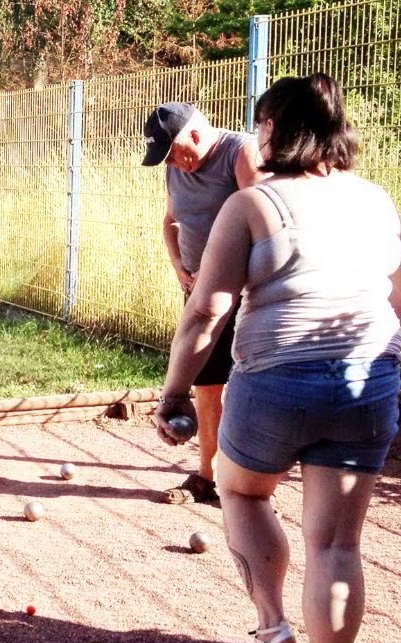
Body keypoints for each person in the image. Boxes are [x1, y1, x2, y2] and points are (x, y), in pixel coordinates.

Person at [154, 73, 401, 643]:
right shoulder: (380, 202)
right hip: (367, 381)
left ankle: (271, 624)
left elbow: (206, 312)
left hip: (274, 381)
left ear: (273, 129)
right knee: (337, 546)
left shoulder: (254, 205)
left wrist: (174, 393)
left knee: (241, 490)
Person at [142, 101, 266, 504]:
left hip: (244, 293)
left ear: (194, 136)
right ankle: (206, 477)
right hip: (197, 294)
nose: (173, 164)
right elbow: (170, 222)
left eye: (174, 153)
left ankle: (252, 482)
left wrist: (243, 279)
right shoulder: (175, 168)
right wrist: (180, 267)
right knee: (207, 387)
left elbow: (267, 224)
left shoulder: (241, 152)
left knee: (248, 388)